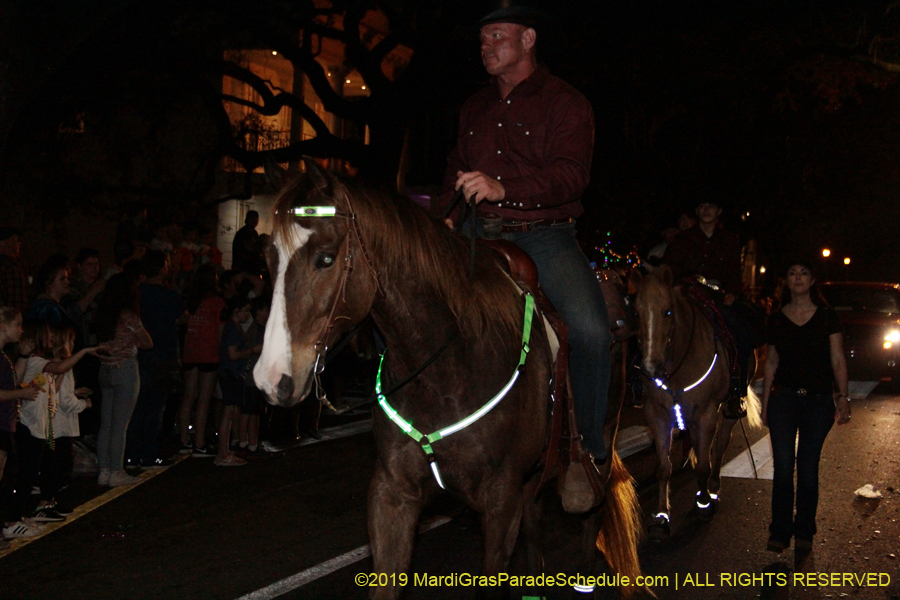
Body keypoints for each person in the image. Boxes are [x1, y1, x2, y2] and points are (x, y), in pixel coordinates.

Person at [433, 4, 610, 513]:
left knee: (593, 331)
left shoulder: (566, 102)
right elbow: (454, 171)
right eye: (482, 39)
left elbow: (572, 175)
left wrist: (504, 188)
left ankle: (588, 450)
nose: (485, 47)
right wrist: (444, 220)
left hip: (543, 236)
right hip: (473, 233)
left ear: (528, 38)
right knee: (403, 292)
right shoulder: (473, 108)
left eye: (497, 36)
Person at [761, 258, 851, 554]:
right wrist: (764, 404)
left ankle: (804, 532)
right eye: (791, 272)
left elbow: (838, 359)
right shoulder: (776, 318)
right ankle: (779, 531)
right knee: (784, 468)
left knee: (808, 466)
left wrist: (843, 397)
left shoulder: (827, 317)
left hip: (818, 402)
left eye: (803, 273)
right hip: (784, 400)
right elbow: (771, 361)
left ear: (813, 281)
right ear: (785, 281)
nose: (797, 278)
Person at [662, 198, 756, 418]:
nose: (706, 210)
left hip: (717, 298)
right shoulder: (682, 239)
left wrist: (732, 292)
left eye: (711, 206)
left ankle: (736, 390)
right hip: (687, 296)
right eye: (702, 206)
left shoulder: (730, 240)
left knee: (739, 333)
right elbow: (671, 269)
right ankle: (639, 380)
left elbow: (734, 272)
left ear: (719, 210)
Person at [125, 250, 184, 469]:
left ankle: (132, 454)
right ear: (161, 269)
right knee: (154, 409)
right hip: (162, 355)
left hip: (139, 354)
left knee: (137, 407)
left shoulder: (137, 293)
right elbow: (181, 315)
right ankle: (149, 453)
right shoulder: (169, 295)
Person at [94, 273, 153, 487]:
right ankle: (117, 470)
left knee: (106, 423)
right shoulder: (128, 316)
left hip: (105, 369)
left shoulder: (103, 314)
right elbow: (147, 342)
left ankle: (104, 470)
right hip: (125, 369)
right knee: (120, 425)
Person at [0, 307, 42, 542]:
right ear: (4, 327)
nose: (21, 329)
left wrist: (24, 357)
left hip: (6, 423)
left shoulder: (5, 355)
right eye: (17, 324)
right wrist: (20, 395)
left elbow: (13, 381)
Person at [178, 264, 225, 457]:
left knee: (188, 396)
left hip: (190, 351)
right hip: (209, 352)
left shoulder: (191, 301)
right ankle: (199, 442)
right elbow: (221, 329)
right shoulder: (218, 302)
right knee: (204, 399)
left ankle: (183, 440)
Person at [215, 297, 258, 467]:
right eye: (245, 311)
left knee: (231, 413)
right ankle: (222, 453)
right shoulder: (232, 328)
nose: (248, 314)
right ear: (236, 311)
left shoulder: (234, 327)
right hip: (231, 373)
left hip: (233, 373)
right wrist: (251, 350)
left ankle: (225, 451)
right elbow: (232, 354)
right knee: (229, 413)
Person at [0, 228, 30, 314]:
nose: (19, 244)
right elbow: (17, 301)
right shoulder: (11, 268)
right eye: (16, 241)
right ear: (4, 243)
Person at [231, 211, 262, 276]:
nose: (255, 221)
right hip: (242, 267)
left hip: (251, 267)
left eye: (256, 219)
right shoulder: (242, 233)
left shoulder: (254, 233)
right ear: (248, 219)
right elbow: (247, 248)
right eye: (252, 219)